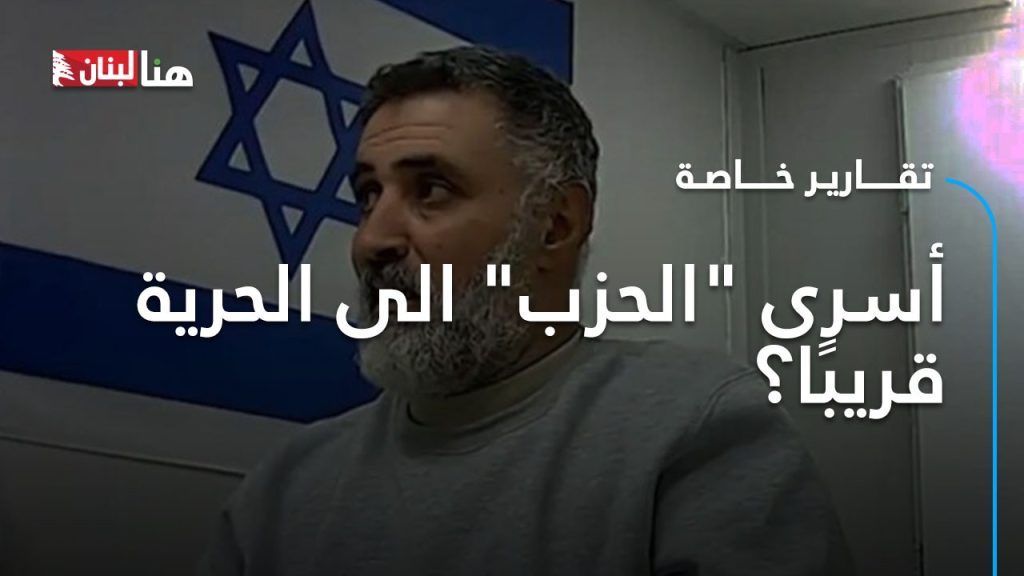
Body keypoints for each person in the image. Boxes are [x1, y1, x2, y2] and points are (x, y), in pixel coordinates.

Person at [198, 45, 853, 576]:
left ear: (555, 224)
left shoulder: (694, 428)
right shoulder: (285, 489)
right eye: (369, 194)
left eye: (432, 189)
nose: (372, 241)